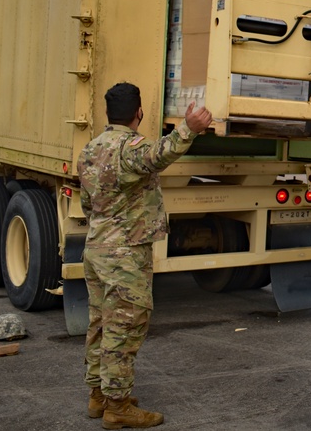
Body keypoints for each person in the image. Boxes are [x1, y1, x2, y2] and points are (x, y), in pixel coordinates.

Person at [78, 83, 212, 428]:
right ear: (139, 113)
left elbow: (87, 204)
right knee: (124, 327)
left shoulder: (90, 149)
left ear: (109, 114)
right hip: (124, 254)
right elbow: (159, 155)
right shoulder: (129, 147)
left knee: (100, 324)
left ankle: (98, 395)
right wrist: (189, 128)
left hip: (96, 248)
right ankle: (118, 407)